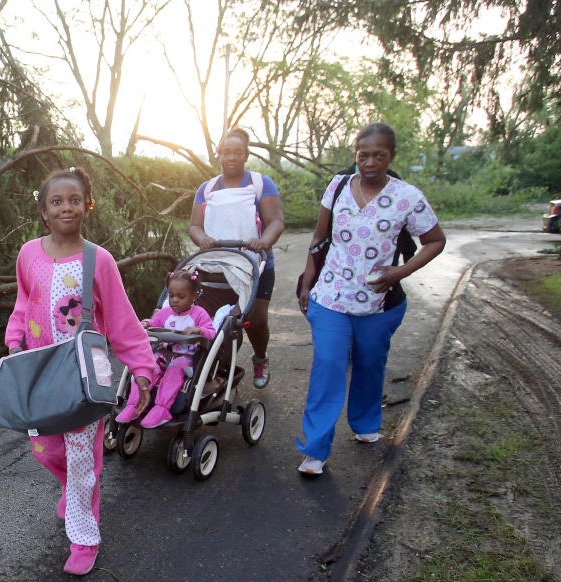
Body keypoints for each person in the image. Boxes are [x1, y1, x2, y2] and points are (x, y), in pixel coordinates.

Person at [4, 167, 155, 575]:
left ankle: (84, 538)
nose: (65, 207)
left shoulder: (98, 260)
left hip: (87, 376)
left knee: (82, 458)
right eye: (57, 201)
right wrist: (15, 341)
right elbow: (23, 302)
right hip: (40, 373)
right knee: (45, 448)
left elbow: (122, 320)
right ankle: (73, 490)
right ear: (43, 211)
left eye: (74, 199)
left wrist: (142, 368)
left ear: (87, 205)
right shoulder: (28, 254)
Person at [295, 123, 446, 475]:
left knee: (369, 364)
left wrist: (401, 272)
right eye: (363, 155)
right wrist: (307, 283)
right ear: (355, 155)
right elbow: (319, 239)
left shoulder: (408, 197)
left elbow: (436, 240)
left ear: (391, 156)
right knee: (328, 367)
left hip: (378, 304)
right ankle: (315, 451)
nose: (370, 162)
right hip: (331, 298)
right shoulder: (337, 187)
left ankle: (364, 422)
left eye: (379, 155)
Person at [189, 128, 285, 389]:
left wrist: (263, 242)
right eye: (226, 152)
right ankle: (221, 371)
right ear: (219, 154)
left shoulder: (260, 184)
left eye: (237, 152)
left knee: (254, 320)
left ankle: (260, 357)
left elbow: (275, 221)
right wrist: (203, 239)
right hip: (216, 265)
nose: (231, 157)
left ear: (246, 155)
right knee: (219, 321)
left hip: (255, 264)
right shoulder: (207, 188)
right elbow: (194, 226)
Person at [115, 269, 216, 428]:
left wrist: (198, 330)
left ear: (194, 297)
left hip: (186, 359)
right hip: (164, 354)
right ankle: (133, 404)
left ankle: (162, 409)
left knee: (175, 369)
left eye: (180, 297)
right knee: (149, 366)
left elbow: (211, 334)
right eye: (171, 295)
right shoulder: (165, 313)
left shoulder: (199, 314)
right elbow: (155, 322)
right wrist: (147, 323)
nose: (174, 300)